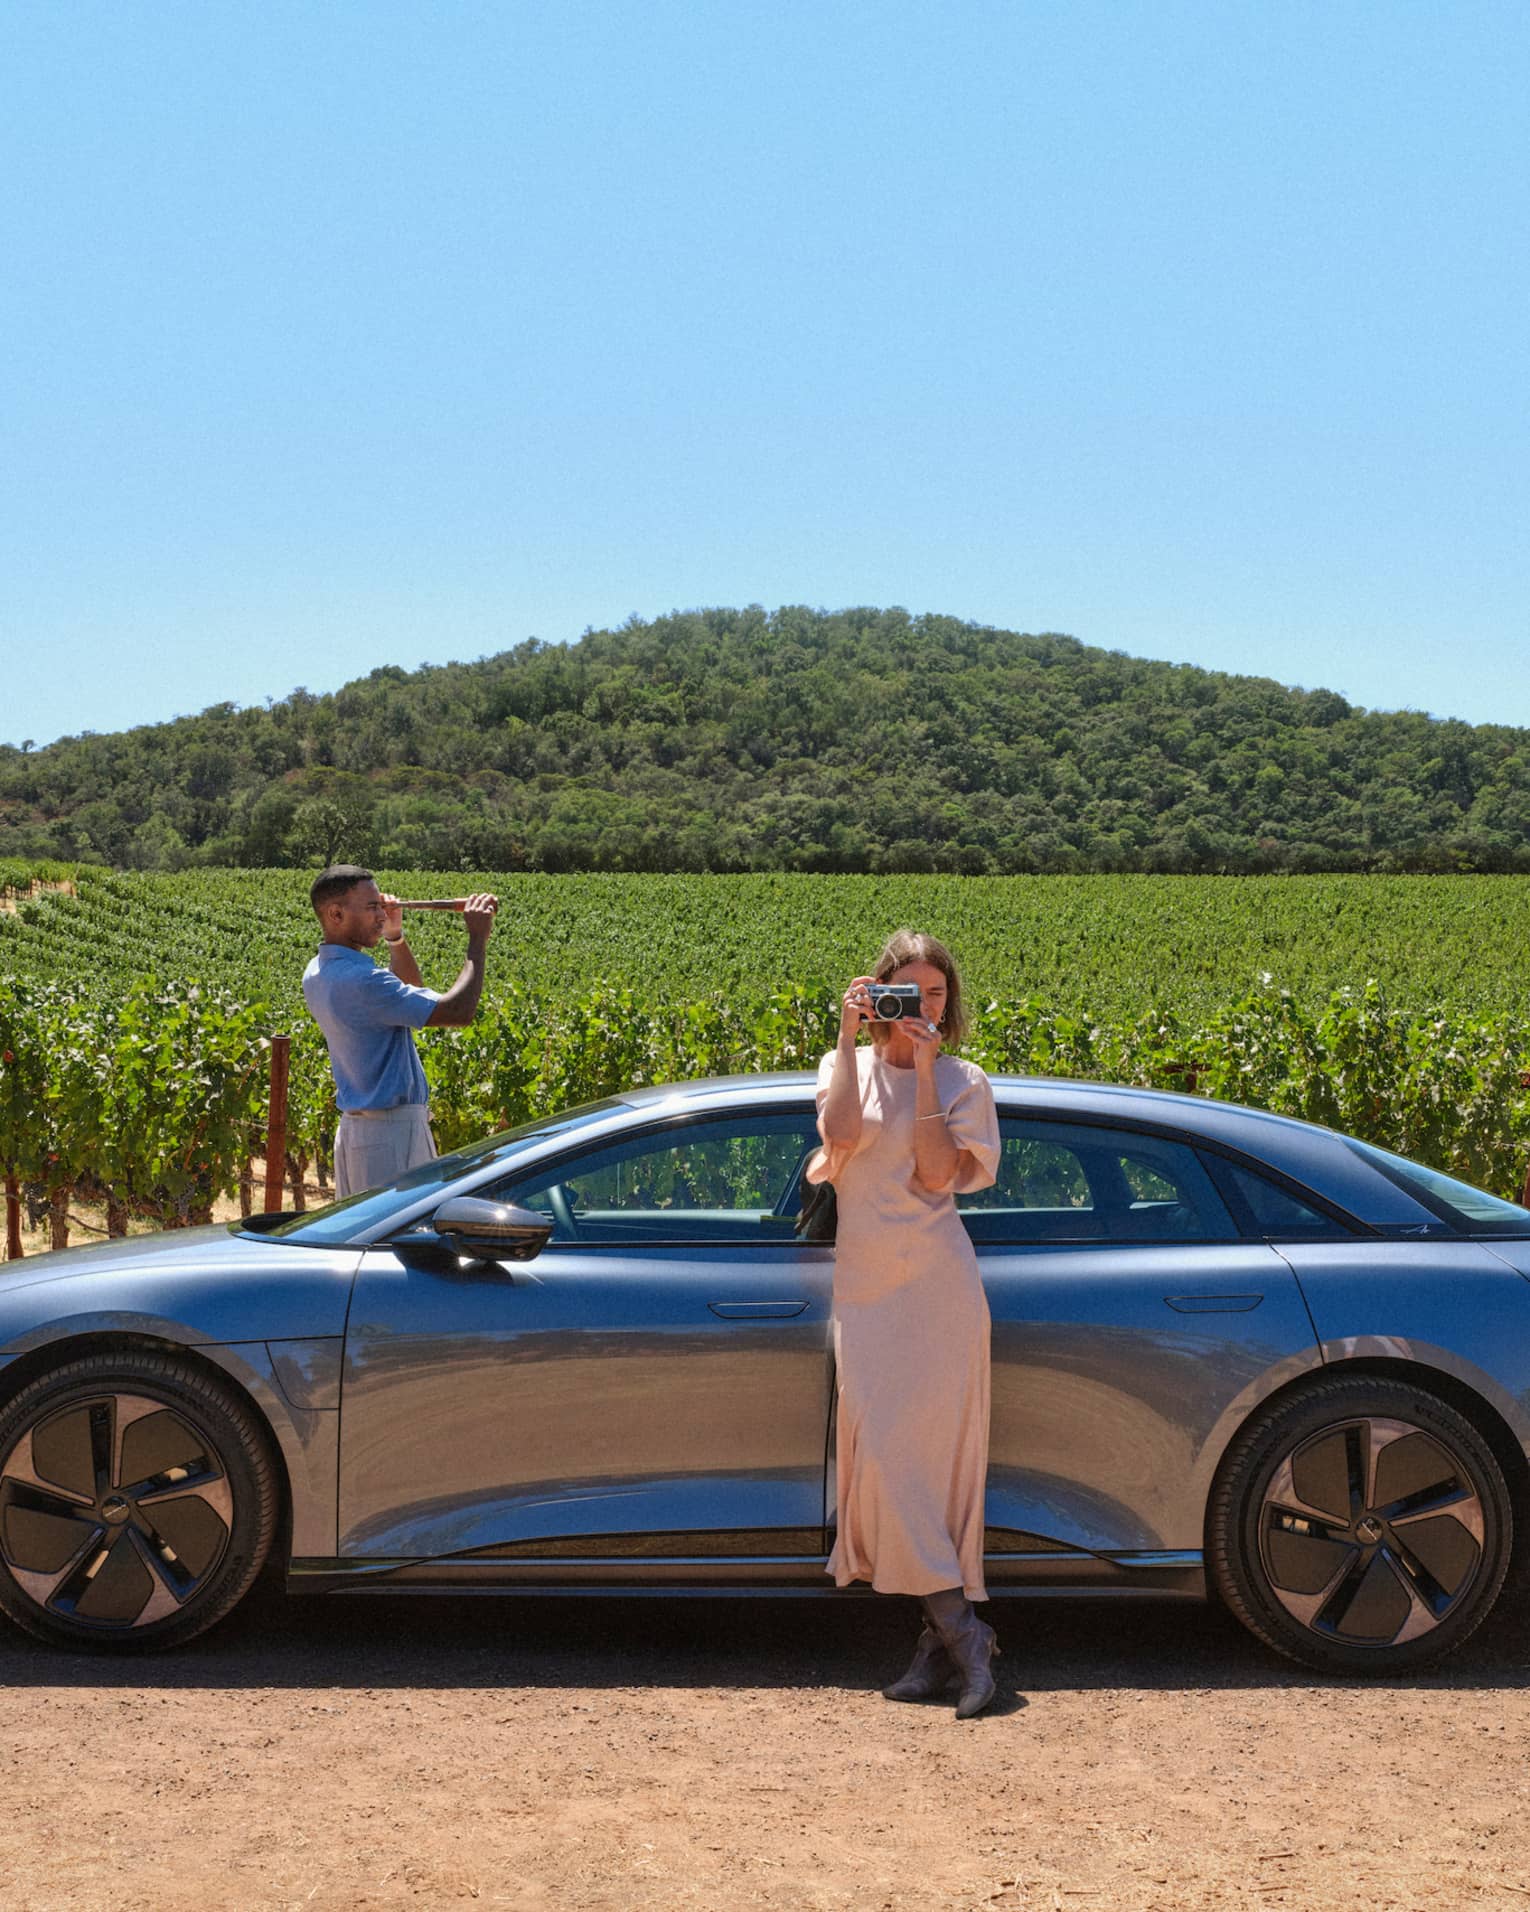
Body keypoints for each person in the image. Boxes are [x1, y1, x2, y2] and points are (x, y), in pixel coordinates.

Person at [811, 929, 1002, 1718]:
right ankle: (958, 1637)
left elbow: (935, 1172)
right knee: (888, 1465)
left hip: (937, 1292)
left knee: (924, 1473)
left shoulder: (962, 1080)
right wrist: (849, 1035)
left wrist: (923, 1069)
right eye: (906, 991)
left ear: (948, 1004)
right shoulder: (842, 1067)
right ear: (877, 991)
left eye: (935, 994)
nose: (921, 1005)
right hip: (866, 1295)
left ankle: (951, 1640)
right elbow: (839, 1138)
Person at [302, 866, 498, 1199]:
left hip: (361, 1132)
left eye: (381, 905)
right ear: (336, 914)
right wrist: (477, 940)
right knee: (401, 1228)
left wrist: (395, 937)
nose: (381, 915)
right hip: (390, 1135)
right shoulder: (362, 980)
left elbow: (409, 991)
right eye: (371, 907)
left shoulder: (319, 971)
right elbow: (457, 1012)